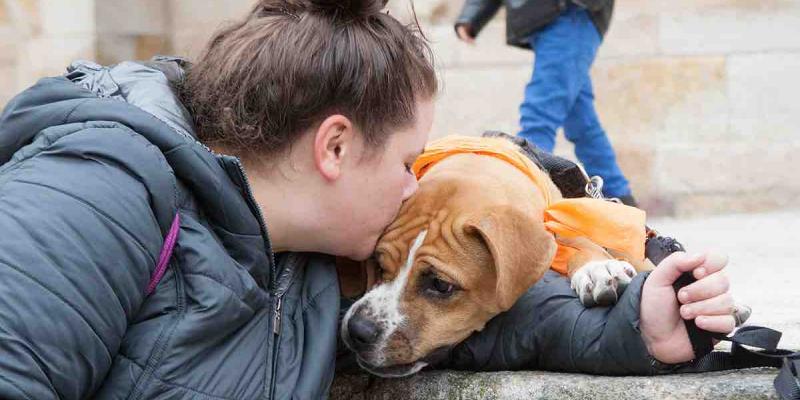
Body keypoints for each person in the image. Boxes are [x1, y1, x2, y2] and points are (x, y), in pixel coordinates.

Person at [0, 0, 740, 398]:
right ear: (334, 148)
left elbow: (480, 317)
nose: (417, 185)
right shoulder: (96, 191)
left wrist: (637, 326)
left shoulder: (316, 257)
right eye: (409, 161)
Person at [455, 0, 637, 205]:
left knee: (539, 118)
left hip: (569, 13)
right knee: (582, 124)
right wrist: (472, 15)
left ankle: (524, 201)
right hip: (553, 18)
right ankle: (623, 203)